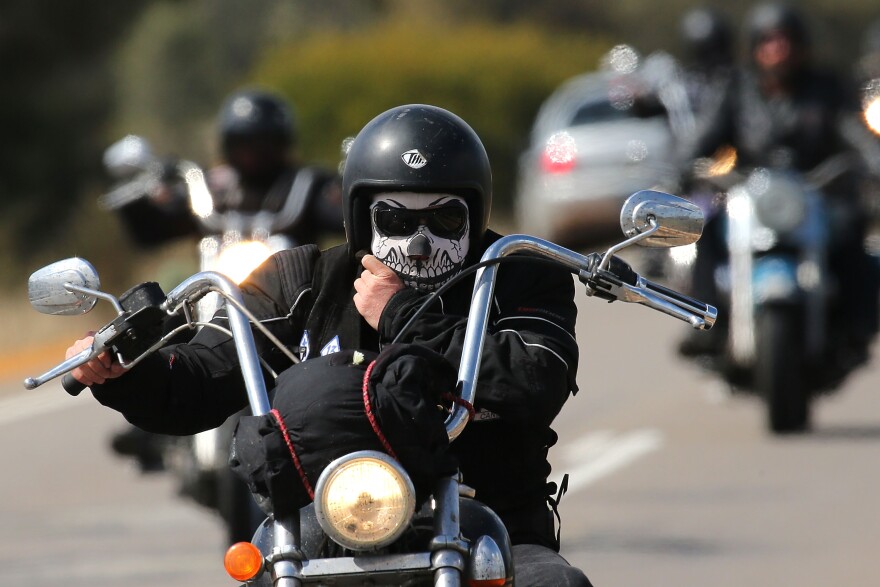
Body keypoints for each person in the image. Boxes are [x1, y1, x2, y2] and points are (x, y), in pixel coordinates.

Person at [66, 104, 592, 586]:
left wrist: (401, 311)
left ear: (475, 215)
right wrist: (123, 373)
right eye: (397, 220)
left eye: (446, 218)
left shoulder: (518, 274)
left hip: (495, 521)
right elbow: (201, 378)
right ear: (362, 216)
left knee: (555, 584)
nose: (420, 241)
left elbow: (536, 379)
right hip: (328, 524)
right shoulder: (299, 283)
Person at [677, 2, 880, 358]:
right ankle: (707, 325)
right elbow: (701, 138)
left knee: (852, 229)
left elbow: (855, 133)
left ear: (801, 45)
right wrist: (678, 169)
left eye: (786, 39)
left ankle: (855, 327)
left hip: (814, 197)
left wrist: (873, 162)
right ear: (755, 45)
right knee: (705, 234)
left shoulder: (826, 88)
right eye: (768, 40)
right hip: (750, 199)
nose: (777, 48)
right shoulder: (736, 88)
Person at [113, 88, 343, 248]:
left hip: (301, 299)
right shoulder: (211, 188)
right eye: (241, 144)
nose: (250, 154)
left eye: (261, 144)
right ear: (227, 145)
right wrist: (143, 197)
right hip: (221, 294)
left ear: (281, 143)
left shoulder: (306, 185)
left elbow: (339, 216)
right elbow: (156, 229)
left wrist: (349, 199)